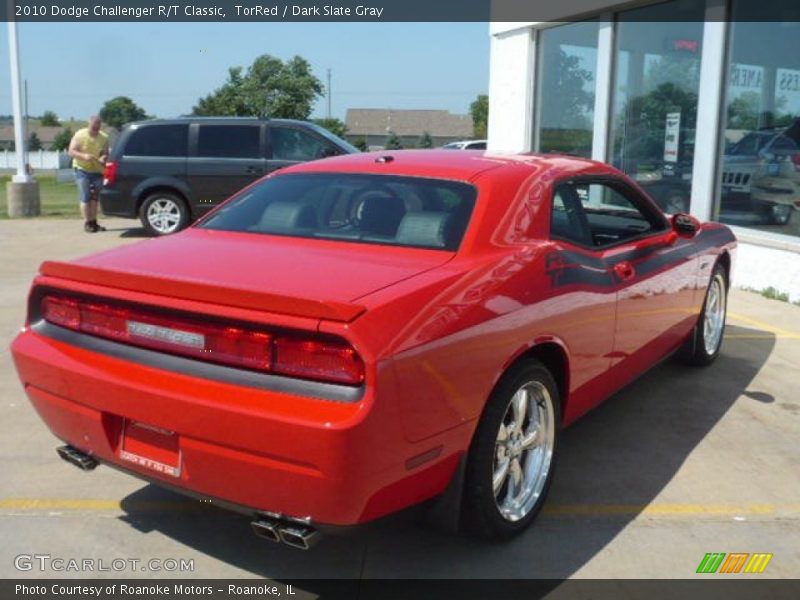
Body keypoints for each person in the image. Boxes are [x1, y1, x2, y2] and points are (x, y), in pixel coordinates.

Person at [69, 115, 109, 232]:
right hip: (82, 169)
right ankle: (87, 223)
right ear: (89, 124)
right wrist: (84, 156)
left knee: (95, 197)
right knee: (85, 196)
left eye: (98, 126)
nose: (96, 129)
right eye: (94, 126)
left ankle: (94, 222)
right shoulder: (80, 135)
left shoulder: (104, 137)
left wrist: (103, 157)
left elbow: (105, 152)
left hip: (97, 169)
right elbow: (71, 151)